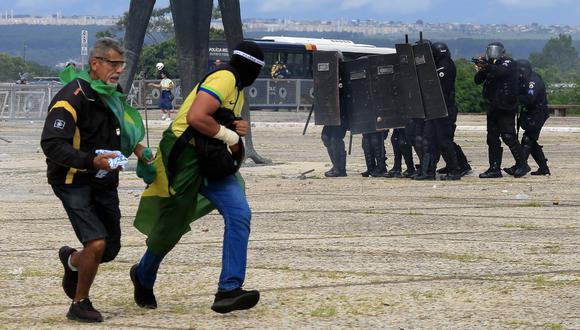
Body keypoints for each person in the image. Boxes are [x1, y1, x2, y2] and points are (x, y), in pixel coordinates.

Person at [130, 41, 264, 314]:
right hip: (183, 158)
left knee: (239, 214)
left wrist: (236, 128)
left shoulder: (238, 89)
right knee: (173, 223)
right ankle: (143, 274)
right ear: (252, 68)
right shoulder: (225, 77)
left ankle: (228, 290)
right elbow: (195, 116)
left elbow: (219, 119)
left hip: (212, 161)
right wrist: (231, 135)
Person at [41, 37, 149, 323]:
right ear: (95, 64)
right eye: (113, 64)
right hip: (72, 179)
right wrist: (91, 160)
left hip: (105, 179)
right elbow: (52, 144)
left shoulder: (112, 92)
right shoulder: (72, 97)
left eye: (121, 65)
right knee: (97, 243)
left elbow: (123, 126)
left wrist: (140, 150)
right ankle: (80, 303)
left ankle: (72, 261)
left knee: (110, 249)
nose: (118, 70)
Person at [474, 42, 530, 178]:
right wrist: (482, 68)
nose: (492, 52)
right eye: (490, 50)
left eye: (494, 50)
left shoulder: (508, 63)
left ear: (502, 52)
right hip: (493, 105)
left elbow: (500, 72)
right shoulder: (489, 66)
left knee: (508, 135)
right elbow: (478, 80)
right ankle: (494, 168)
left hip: (506, 106)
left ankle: (522, 164)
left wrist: (487, 66)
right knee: (492, 137)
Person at [504, 59, 551, 176]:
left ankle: (520, 166)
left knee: (527, 139)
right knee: (531, 141)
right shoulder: (523, 79)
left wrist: (515, 96)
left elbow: (530, 99)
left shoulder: (533, 81)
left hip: (538, 113)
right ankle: (543, 168)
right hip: (530, 113)